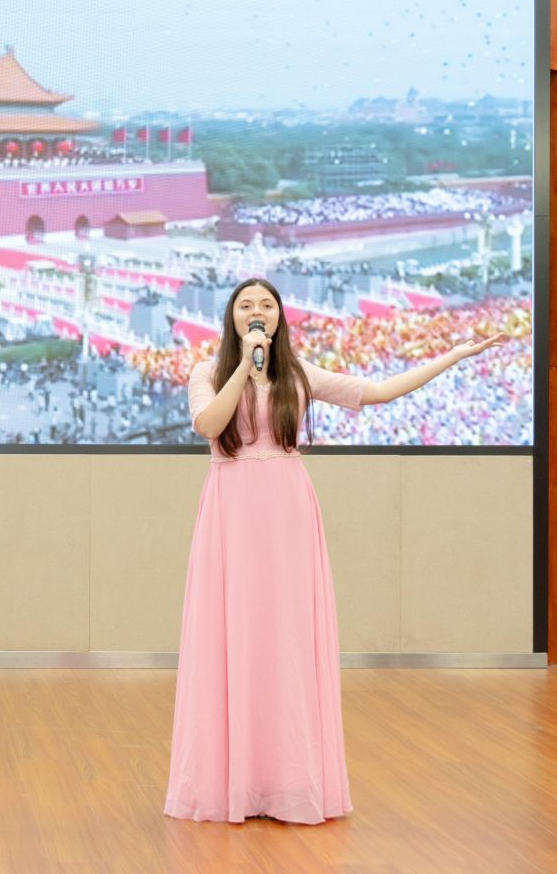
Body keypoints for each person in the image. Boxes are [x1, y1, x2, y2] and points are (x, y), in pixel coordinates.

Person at [164, 277, 503, 825]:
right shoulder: (208, 372)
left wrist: (453, 357)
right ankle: (232, 783)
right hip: (230, 511)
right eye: (246, 305)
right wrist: (243, 368)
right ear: (231, 317)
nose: (257, 312)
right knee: (232, 632)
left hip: (288, 510)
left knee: (286, 638)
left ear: (280, 316)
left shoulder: (299, 374)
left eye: (266, 305)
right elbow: (208, 424)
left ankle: (285, 781)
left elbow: (379, 391)